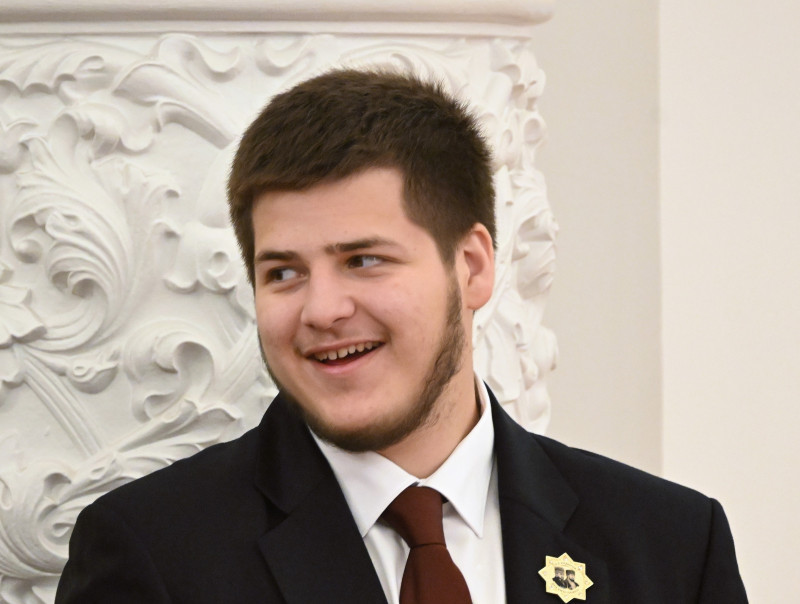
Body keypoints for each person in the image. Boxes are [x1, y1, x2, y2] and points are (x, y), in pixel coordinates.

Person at [56, 68, 748, 603]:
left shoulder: (672, 546)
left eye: (364, 259)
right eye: (285, 272)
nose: (321, 309)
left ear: (472, 266)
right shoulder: (154, 553)